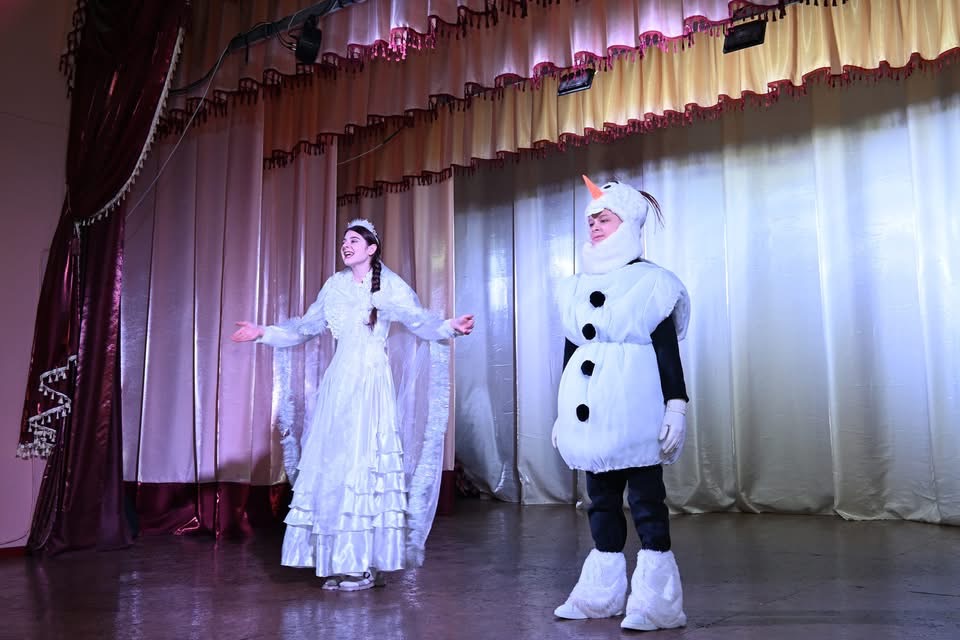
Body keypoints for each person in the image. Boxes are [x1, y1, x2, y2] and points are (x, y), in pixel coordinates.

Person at [232, 218, 474, 591]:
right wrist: (263, 333)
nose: (346, 245)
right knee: (338, 465)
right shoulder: (334, 286)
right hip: (340, 382)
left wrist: (449, 326)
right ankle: (343, 560)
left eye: (354, 240)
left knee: (366, 463)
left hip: (371, 382)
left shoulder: (389, 284)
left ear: (371, 248)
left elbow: (419, 322)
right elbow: (304, 328)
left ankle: (364, 565)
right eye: (344, 240)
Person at [551, 176, 691, 631]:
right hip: (591, 414)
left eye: (604, 219)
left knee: (647, 500)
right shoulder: (574, 287)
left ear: (627, 223)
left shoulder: (652, 284)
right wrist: (563, 413)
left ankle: (656, 604)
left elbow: (667, 350)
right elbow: (574, 349)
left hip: (636, 406)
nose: (594, 226)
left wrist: (676, 405)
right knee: (601, 501)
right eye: (591, 220)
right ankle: (599, 595)